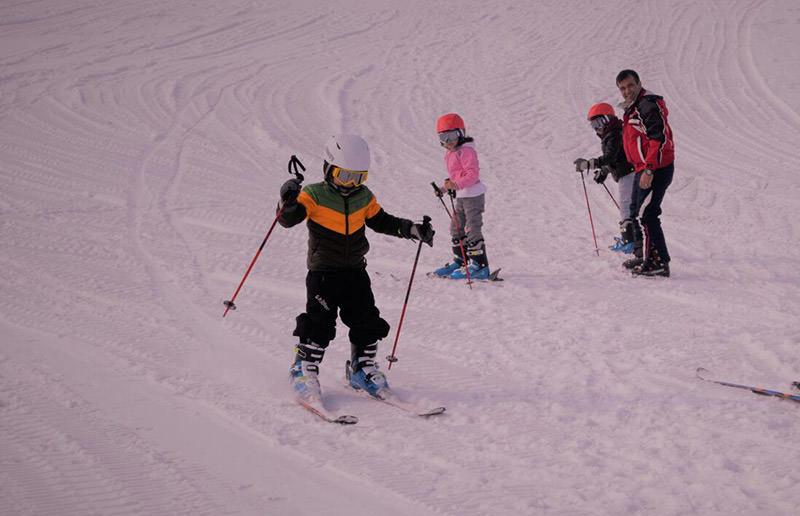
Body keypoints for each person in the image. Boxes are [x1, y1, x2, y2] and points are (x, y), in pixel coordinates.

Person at [278, 134, 434, 401]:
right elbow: (288, 219)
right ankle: (303, 369)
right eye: (344, 176)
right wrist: (287, 200)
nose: (351, 184)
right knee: (319, 323)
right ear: (329, 169)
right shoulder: (313, 195)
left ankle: (362, 367)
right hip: (323, 273)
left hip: (355, 272)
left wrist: (411, 229)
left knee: (366, 319)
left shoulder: (364, 197)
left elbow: (382, 220)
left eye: (358, 177)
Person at [616, 69, 675, 277]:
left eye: (630, 85)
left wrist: (649, 169)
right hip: (642, 168)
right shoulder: (633, 108)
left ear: (639, 83)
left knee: (648, 215)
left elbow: (658, 138)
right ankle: (647, 256)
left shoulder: (647, 105)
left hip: (656, 168)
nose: (627, 91)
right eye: (622, 88)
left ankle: (658, 262)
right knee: (635, 211)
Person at [431, 113, 491, 280]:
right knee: (456, 228)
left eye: (452, 135)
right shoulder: (451, 152)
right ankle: (461, 261)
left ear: (461, 134)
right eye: (443, 137)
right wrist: (443, 188)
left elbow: (472, 175)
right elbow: (457, 177)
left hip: (473, 195)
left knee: (472, 228)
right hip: (462, 196)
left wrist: (455, 185)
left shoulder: (466, 151)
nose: (448, 141)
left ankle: (480, 266)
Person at [573, 102, 636, 253]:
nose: (597, 128)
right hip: (626, 173)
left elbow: (610, 156)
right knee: (628, 206)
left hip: (628, 174)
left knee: (626, 206)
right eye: (593, 125)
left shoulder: (614, 134)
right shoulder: (612, 134)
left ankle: (630, 241)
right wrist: (604, 171)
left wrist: (589, 164)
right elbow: (616, 158)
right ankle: (632, 239)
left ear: (608, 119)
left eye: (599, 122)